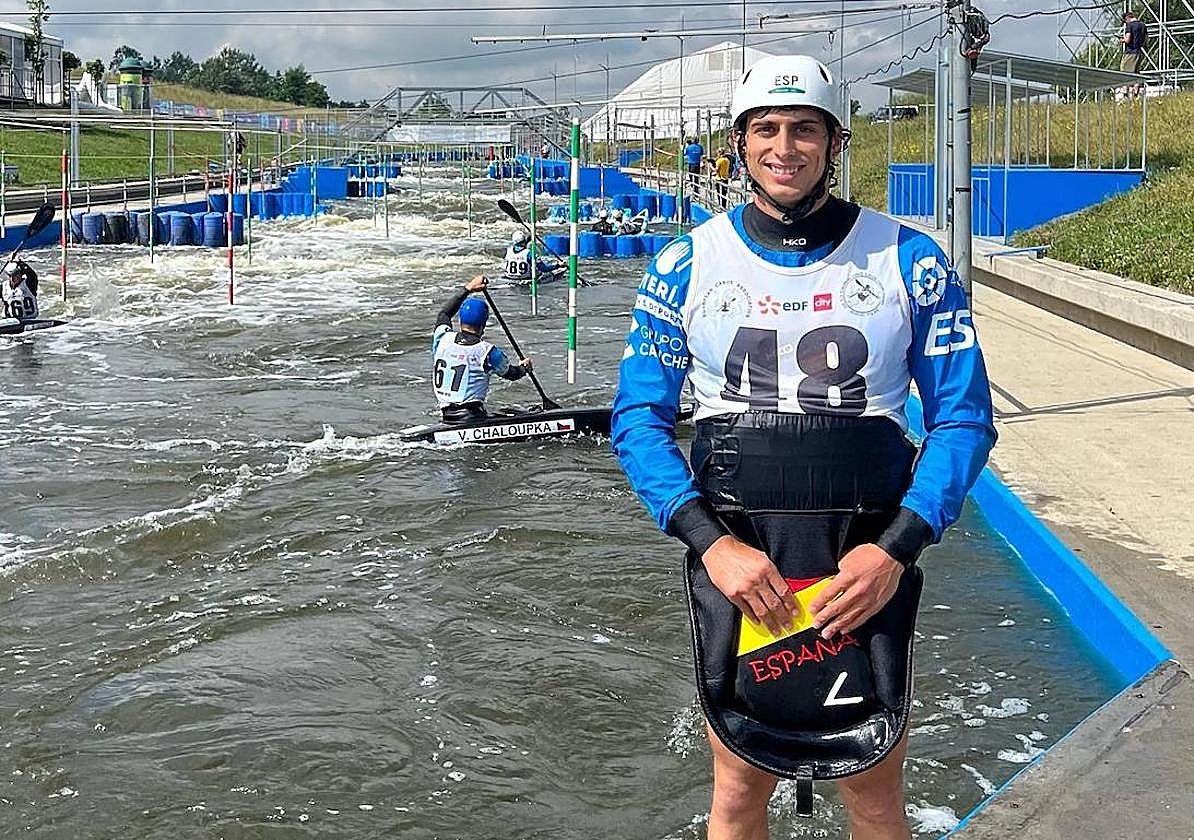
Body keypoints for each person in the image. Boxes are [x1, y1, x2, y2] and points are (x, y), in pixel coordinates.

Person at [611, 53, 995, 840]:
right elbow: (639, 422)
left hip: (863, 560)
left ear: (836, 141)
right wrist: (709, 544)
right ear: (738, 143)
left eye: (805, 129)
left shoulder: (910, 260)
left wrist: (897, 549)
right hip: (742, 558)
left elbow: (963, 420)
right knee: (738, 786)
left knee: (874, 785)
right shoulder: (684, 263)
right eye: (767, 129)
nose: (785, 147)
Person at [432, 275, 533, 422]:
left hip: (447, 417)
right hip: (472, 418)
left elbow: (444, 314)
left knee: (506, 411)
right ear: (483, 325)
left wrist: (468, 288)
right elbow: (511, 373)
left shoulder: (442, 338)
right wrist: (524, 368)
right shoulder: (488, 352)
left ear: (460, 320)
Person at [1121, 11, 1147, 95]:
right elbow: (1145, 39)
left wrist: (1123, 40)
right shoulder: (1143, 25)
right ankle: (1136, 93)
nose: (1125, 23)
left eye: (1125, 21)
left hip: (1130, 52)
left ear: (1127, 18)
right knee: (1136, 73)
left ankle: (1125, 93)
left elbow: (1128, 39)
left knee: (1124, 72)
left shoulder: (1130, 25)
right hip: (1139, 52)